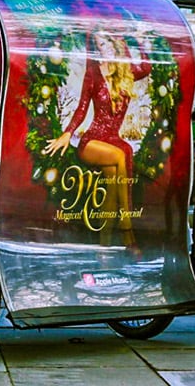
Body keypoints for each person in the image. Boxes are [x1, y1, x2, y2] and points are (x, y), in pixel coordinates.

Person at [44, 27, 149, 246]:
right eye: (101, 44)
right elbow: (82, 108)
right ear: (96, 49)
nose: (106, 48)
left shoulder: (125, 70)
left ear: (116, 43)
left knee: (112, 186)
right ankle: (127, 227)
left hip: (113, 139)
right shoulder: (93, 73)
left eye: (108, 42)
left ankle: (104, 245)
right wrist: (67, 134)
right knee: (123, 153)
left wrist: (139, 42)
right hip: (92, 141)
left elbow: (146, 68)